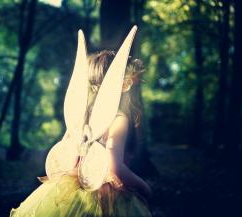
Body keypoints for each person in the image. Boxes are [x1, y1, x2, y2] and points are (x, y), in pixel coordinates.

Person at [10, 26, 152, 217]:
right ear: (122, 86)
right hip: (106, 198)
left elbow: (66, 156)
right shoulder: (118, 119)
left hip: (72, 190)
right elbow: (114, 166)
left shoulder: (80, 117)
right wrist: (142, 186)